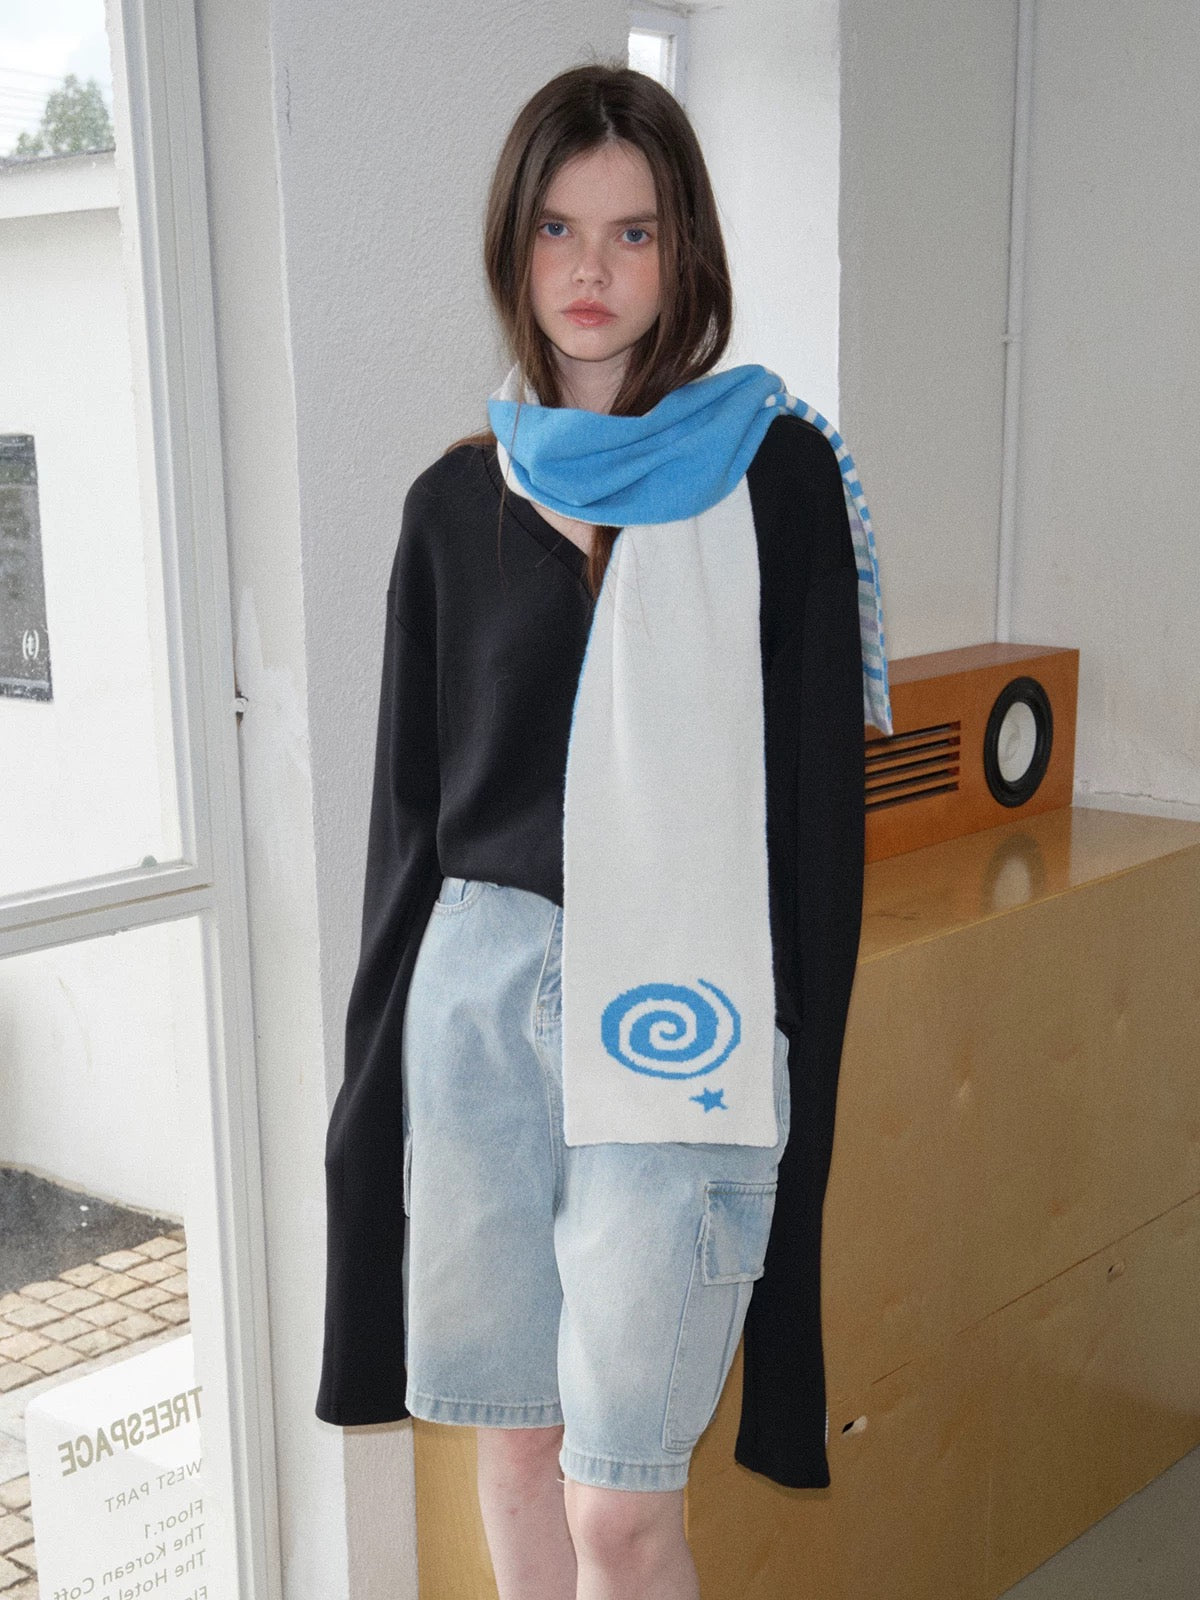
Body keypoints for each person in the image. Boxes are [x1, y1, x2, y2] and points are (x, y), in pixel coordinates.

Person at [316, 60, 890, 1600]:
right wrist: (368, 1100)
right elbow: (411, 828)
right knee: (515, 1449)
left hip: (681, 1010)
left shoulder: (776, 480)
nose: (592, 268)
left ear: (682, 251)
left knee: (622, 1507)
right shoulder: (454, 504)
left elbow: (813, 822)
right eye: (558, 229)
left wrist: (798, 1049)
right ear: (514, 249)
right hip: (483, 1008)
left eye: (632, 232)